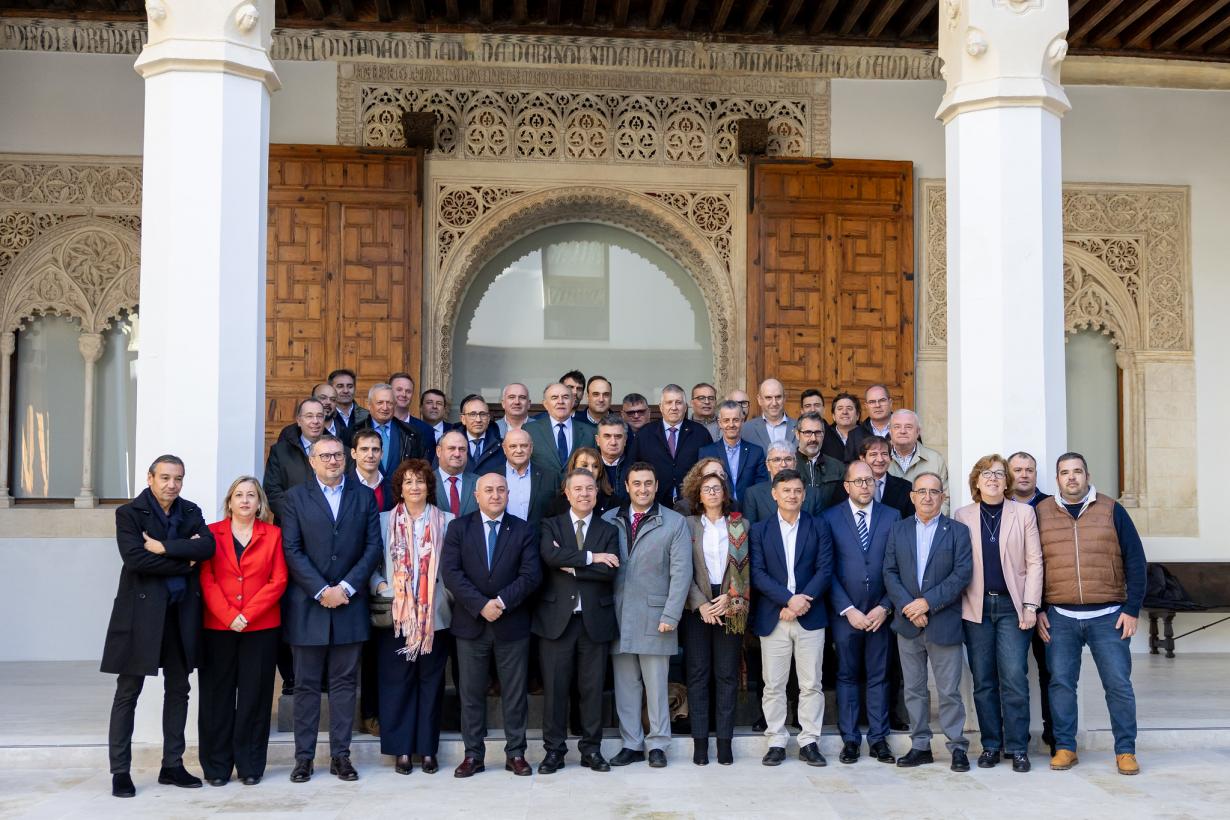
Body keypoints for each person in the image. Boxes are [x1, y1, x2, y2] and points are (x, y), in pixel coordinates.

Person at [103, 455, 216, 799]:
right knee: (128, 692)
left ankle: (172, 765)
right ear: (150, 478)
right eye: (165, 477)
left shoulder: (191, 511)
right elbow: (135, 558)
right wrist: (184, 562)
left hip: (181, 614)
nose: (172, 484)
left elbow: (207, 547)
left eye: (178, 478)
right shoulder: (129, 514)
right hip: (141, 615)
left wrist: (163, 547)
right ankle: (120, 771)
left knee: (179, 689)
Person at [1036, 452, 1146, 777]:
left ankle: (1125, 751)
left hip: (1108, 616)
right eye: (1065, 472)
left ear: (1087, 475)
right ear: (1057, 478)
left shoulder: (1112, 509)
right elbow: (1031, 564)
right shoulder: (1042, 512)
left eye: (1077, 471)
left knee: (1118, 685)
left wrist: (1132, 609)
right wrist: (1038, 609)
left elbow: (1135, 560)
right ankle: (1065, 747)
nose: (1071, 477)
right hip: (1060, 616)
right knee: (1060, 684)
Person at [281, 435, 383, 783]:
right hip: (308, 605)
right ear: (312, 461)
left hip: (350, 604)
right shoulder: (295, 498)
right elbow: (292, 549)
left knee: (344, 685)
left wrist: (347, 587)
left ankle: (341, 756)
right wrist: (322, 590)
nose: (332, 461)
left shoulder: (363, 497)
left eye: (337, 455)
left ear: (347, 458)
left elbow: (372, 547)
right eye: (324, 456)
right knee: (306, 686)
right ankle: (304, 758)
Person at [441, 473, 542, 778]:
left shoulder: (523, 529)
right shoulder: (459, 528)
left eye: (500, 490)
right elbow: (451, 573)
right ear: (477, 495)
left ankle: (516, 754)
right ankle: (473, 755)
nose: (495, 495)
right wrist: (480, 605)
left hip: (512, 623)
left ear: (508, 494)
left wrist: (500, 602)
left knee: (514, 694)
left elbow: (531, 575)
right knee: (471, 693)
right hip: (471, 624)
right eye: (488, 490)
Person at [955, 454, 1043, 773]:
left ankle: (1017, 747)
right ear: (976, 481)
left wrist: (1031, 605)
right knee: (983, 680)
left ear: (1006, 481)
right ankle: (991, 745)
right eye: (986, 473)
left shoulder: (1024, 513)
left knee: (1014, 677)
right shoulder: (962, 515)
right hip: (975, 608)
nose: (992, 478)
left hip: (1012, 607)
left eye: (998, 473)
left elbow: (1034, 562)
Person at [198, 477, 287, 787]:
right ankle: (216, 767)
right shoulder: (211, 533)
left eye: (251, 495)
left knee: (255, 697)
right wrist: (228, 615)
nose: (245, 500)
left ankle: (250, 765)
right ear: (229, 502)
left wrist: (246, 615)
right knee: (216, 698)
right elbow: (206, 579)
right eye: (239, 495)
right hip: (218, 627)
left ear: (260, 502)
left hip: (260, 628)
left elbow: (278, 580)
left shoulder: (273, 535)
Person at [882, 472, 973, 772]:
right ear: (912, 496)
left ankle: (957, 746)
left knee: (949, 691)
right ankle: (920, 745)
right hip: (908, 623)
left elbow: (961, 574)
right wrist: (910, 607)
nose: (927, 497)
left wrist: (927, 603)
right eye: (921, 491)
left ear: (942, 497)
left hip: (943, 621)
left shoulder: (957, 531)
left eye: (934, 492)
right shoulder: (898, 529)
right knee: (914, 690)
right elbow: (889, 572)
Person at [533, 468, 621, 774]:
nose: (584, 494)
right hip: (556, 621)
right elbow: (549, 557)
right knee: (555, 691)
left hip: (593, 621)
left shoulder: (608, 529)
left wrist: (570, 564)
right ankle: (554, 751)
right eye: (578, 489)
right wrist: (591, 558)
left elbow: (610, 571)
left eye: (590, 489)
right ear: (567, 493)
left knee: (592, 690)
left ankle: (591, 750)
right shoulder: (551, 525)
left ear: (597, 493)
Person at [603, 463, 692, 769]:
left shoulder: (674, 522)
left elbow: (681, 573)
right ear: (627, 486)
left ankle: (657, 744)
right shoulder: (609, 519)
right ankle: (631, 743)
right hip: (618, 615)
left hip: (657, 616)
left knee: (656, 686)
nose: (643, 489)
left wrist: (672, 614)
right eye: (637, 483)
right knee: (625, 685)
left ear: (656, 486)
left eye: (648, 483)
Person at [368, 459, 454, 776]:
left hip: (434, 618)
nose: (415, 487)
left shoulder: (447, 521)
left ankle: (427, 750)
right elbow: (370, 562)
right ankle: (402, 749)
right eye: (408, 482)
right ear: (400, 488)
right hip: (396, 615)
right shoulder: (382, 521)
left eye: (420, 481)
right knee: (396, 683)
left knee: (430, 683)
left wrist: (444, 597)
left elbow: (454, 567)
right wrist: (381, 586)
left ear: (429, 486)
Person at [749, 469, 833, 767]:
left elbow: (825, 569)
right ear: (774, 494)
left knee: (811, 684)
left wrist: (800, 602)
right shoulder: (759, 530)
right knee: (773, 684)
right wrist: (787, 600)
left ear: (804, 494)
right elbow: (757, 573)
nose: (792, 495)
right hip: (775, 617)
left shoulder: (818, 526)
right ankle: (776, 741)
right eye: (786, 490)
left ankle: (809, 741)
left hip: (810, 615)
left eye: (797, 490)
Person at [825, 460, 900, 766]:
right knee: (847, 676)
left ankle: (879, 739)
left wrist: (886, 606)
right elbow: (826, 569)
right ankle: (851, 740)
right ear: (847, 486)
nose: (865, 486)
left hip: (881, 613)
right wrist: (847, 609)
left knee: (879, 676)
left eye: (869, 480)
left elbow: (898, 566)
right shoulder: (830, 518)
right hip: (846, 615)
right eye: (858, 481)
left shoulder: (892, 516)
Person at [682, 470, 750, 766]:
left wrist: (730, 597)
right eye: (706, 488)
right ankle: (700, 743)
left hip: (729, 603)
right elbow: (680, 568)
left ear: (725, 494)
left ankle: (724, 742)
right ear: (698, 495)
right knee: (698, 675)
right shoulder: (687, 525)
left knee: (726, 675)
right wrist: (700, 604)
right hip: (696, 606)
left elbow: (746, 567)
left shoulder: (739, 524)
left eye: (717, 488)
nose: (712, 493)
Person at [1007, 449, 1055, 754]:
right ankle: (1016, 738)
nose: (1024, 475)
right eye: (1018, 469)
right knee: (1011, 673)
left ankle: (1055, 735)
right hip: (1008, 605)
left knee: (1051, 673)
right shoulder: (1000, 506)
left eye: (1029, 470)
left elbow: (1052, 560)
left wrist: (1041, 607)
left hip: (1046, 608)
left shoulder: (1050, 506)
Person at [635, 383, 713, 506]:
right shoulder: (645, 434)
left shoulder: (700, 433)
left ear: (685, 407)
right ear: (661, 407)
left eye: (678, 402)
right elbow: (633, 469)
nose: (674, 407)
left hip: (692, 504)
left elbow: (710, 468)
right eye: (669, 402)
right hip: (654, 503)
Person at [264, 397, 326, 525]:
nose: (315, 421)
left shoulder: (339, 451)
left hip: (329, 527)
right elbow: (273, 493)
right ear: (299, 420)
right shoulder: (280, 452)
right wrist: (300, 517)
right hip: (291, 526)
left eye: (319, 416)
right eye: (309, 416)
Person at [482, 427, 559, 529]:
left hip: (539, 537)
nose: (519, 450)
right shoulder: (490, 476)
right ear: (504, 449)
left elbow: (557, 515)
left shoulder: (550, 477)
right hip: (502, 536)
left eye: (524, 446)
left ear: (531, 448)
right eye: (513, 446)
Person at [697, 399, 768, 501]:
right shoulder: (707, 453)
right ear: (720, 423)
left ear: (742, 421)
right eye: (726, 420)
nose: (731, 425)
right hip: (720, 507)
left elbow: (761, 487)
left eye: (736, 420)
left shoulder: (756, 452)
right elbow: (703, 485)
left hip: (748, 508)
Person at [526, 382, 598, 478]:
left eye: (565, 397)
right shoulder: (529, 431)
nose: (560, 401)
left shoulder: (590, 432)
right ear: (545, 404)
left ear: (573, 402)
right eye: (554, 398)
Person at [352, 383, 428, 474]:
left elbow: (421, 468)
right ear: (369, 405)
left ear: (395, 405)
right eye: (380, 403)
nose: (385, 408)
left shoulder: (411, 433)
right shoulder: (354, 432)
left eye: (389, 403)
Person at [740, 444, 823, 524]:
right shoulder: (753, 494)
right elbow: (751, 529)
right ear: (768, 465)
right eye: (777, 460)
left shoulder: (813, 494)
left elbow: (818, 527)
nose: (783, 464)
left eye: (788, 459)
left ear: (795, 463)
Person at [886, 410, 949, 513]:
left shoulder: (935, 459)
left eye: (908, 427)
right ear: (889, 431)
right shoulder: (880, 460)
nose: (903, 431)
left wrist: (930, 521)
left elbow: (945, 499)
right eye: (897, 427)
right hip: (889, 522)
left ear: (918, 431)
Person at [794, 412, 846, 509]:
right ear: (797, 434)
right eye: (807, 433)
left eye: (818, 433)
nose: (813, 438)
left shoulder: (838, 467)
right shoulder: (788, 465)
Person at [546, 447, 617, 517]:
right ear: (573, 468)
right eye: (584, 465)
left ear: (600, 471)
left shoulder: (612, 501)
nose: (590, 470)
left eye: (595, 466)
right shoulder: (558, 502)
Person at [279, 383, 345, 444]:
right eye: (323, 398)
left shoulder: (346, 432)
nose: (328, 402)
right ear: (312, 399)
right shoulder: (290, 432)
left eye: (333, 399)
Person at [743, 378, 797, 454]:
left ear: (784, 398)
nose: (774, 403)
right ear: (759, 400)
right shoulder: (746, 429)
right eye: (768, 398)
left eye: (778, 397)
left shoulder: (799, 427)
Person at [435, 430, 478, 517]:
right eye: (451, 448)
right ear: (439, 451)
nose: (457, 454)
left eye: (462, 449)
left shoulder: (479, 482)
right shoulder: (425, 481)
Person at [350, 428, 395, 512]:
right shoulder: (343, 486)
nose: (370, 455)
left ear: (382, 454)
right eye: (364, 449)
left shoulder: (393, 487)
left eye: (375, 450)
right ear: (353, 453)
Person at [390, 371, 438, 448]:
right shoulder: (379, 425)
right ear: (389, 392)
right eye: (399, 390)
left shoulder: (425, 430)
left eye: (408, 391)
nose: (404, 394)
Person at [458, 393, 503, 475]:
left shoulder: (502, 446)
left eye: (483, 414)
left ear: (488, 419)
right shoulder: (449, 444)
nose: (478, 420)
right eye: (472, 414)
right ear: (463, 419)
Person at [597, 415, 633, 507]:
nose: (613, 442)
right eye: (607, 436)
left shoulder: (634, 468)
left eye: (618, 437)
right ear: (597, 440)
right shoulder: (590, 467)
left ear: (625, 440)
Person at [822, 392, 866, 464]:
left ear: (857, 415)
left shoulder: (867, 436)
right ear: (833, 416)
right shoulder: (824, 436)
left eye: (849, 408)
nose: (844, 412)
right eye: (840, 409)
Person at [329, 368, 367, 434]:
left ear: (355, 388)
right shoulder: (325, 415)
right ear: (330, 389)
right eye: (340, 386)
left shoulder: (367, 416)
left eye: (350, 386)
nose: (346, 391)